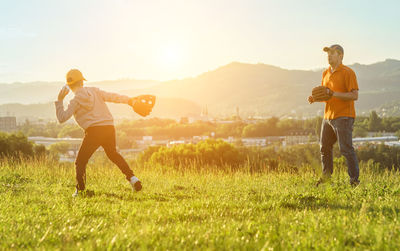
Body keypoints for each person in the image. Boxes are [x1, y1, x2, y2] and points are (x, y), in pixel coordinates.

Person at [55, 69, 142, 197]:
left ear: (69, 86)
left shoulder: (75, 101)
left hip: (94, 131)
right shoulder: (95, 91)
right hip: (109, 127)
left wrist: (59, 100)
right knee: (113, 154)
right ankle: (132, 178)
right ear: (82, 82)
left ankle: (81, 191)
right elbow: (113, 97)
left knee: (80, 162)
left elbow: (62, 118)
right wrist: (130, 101)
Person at [308, 44, 360, 186]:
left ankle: (354, 181)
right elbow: (327, 95)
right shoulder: (325, 73)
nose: (329, 56)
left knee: (346, 149)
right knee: (324, 147)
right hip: (328, 117)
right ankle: (326, 178)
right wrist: (316, 98)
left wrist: (333, 93)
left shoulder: (348, 72)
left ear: (340, 56)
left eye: (332, 53)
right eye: (328, 53)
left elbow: (354, 95)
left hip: (344, 116)